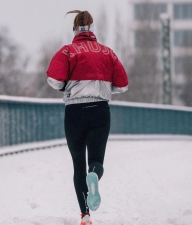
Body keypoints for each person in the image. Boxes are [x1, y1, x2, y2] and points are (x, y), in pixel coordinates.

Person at [46, 10, 128, 225]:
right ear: (92, 28)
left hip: (74, 112)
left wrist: (68, 86)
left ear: (75, 29)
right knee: (96, 161)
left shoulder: (67, 52)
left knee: (77, 165)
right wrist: (104, 85)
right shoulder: (107, 53)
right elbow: (123, 85)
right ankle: (94, 175)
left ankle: (85, 216)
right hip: (100, 110)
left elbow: (54, 80)